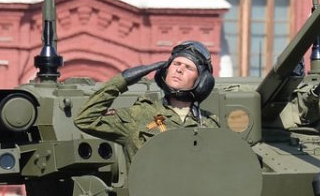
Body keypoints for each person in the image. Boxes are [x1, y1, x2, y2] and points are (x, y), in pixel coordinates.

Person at [74, 40, 217, 154]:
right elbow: (85, 119)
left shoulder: (208, 124)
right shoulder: (139, 115)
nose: (179, 69)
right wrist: (124, 80)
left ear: (201, 82)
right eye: (176, 64)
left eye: (189, 67)